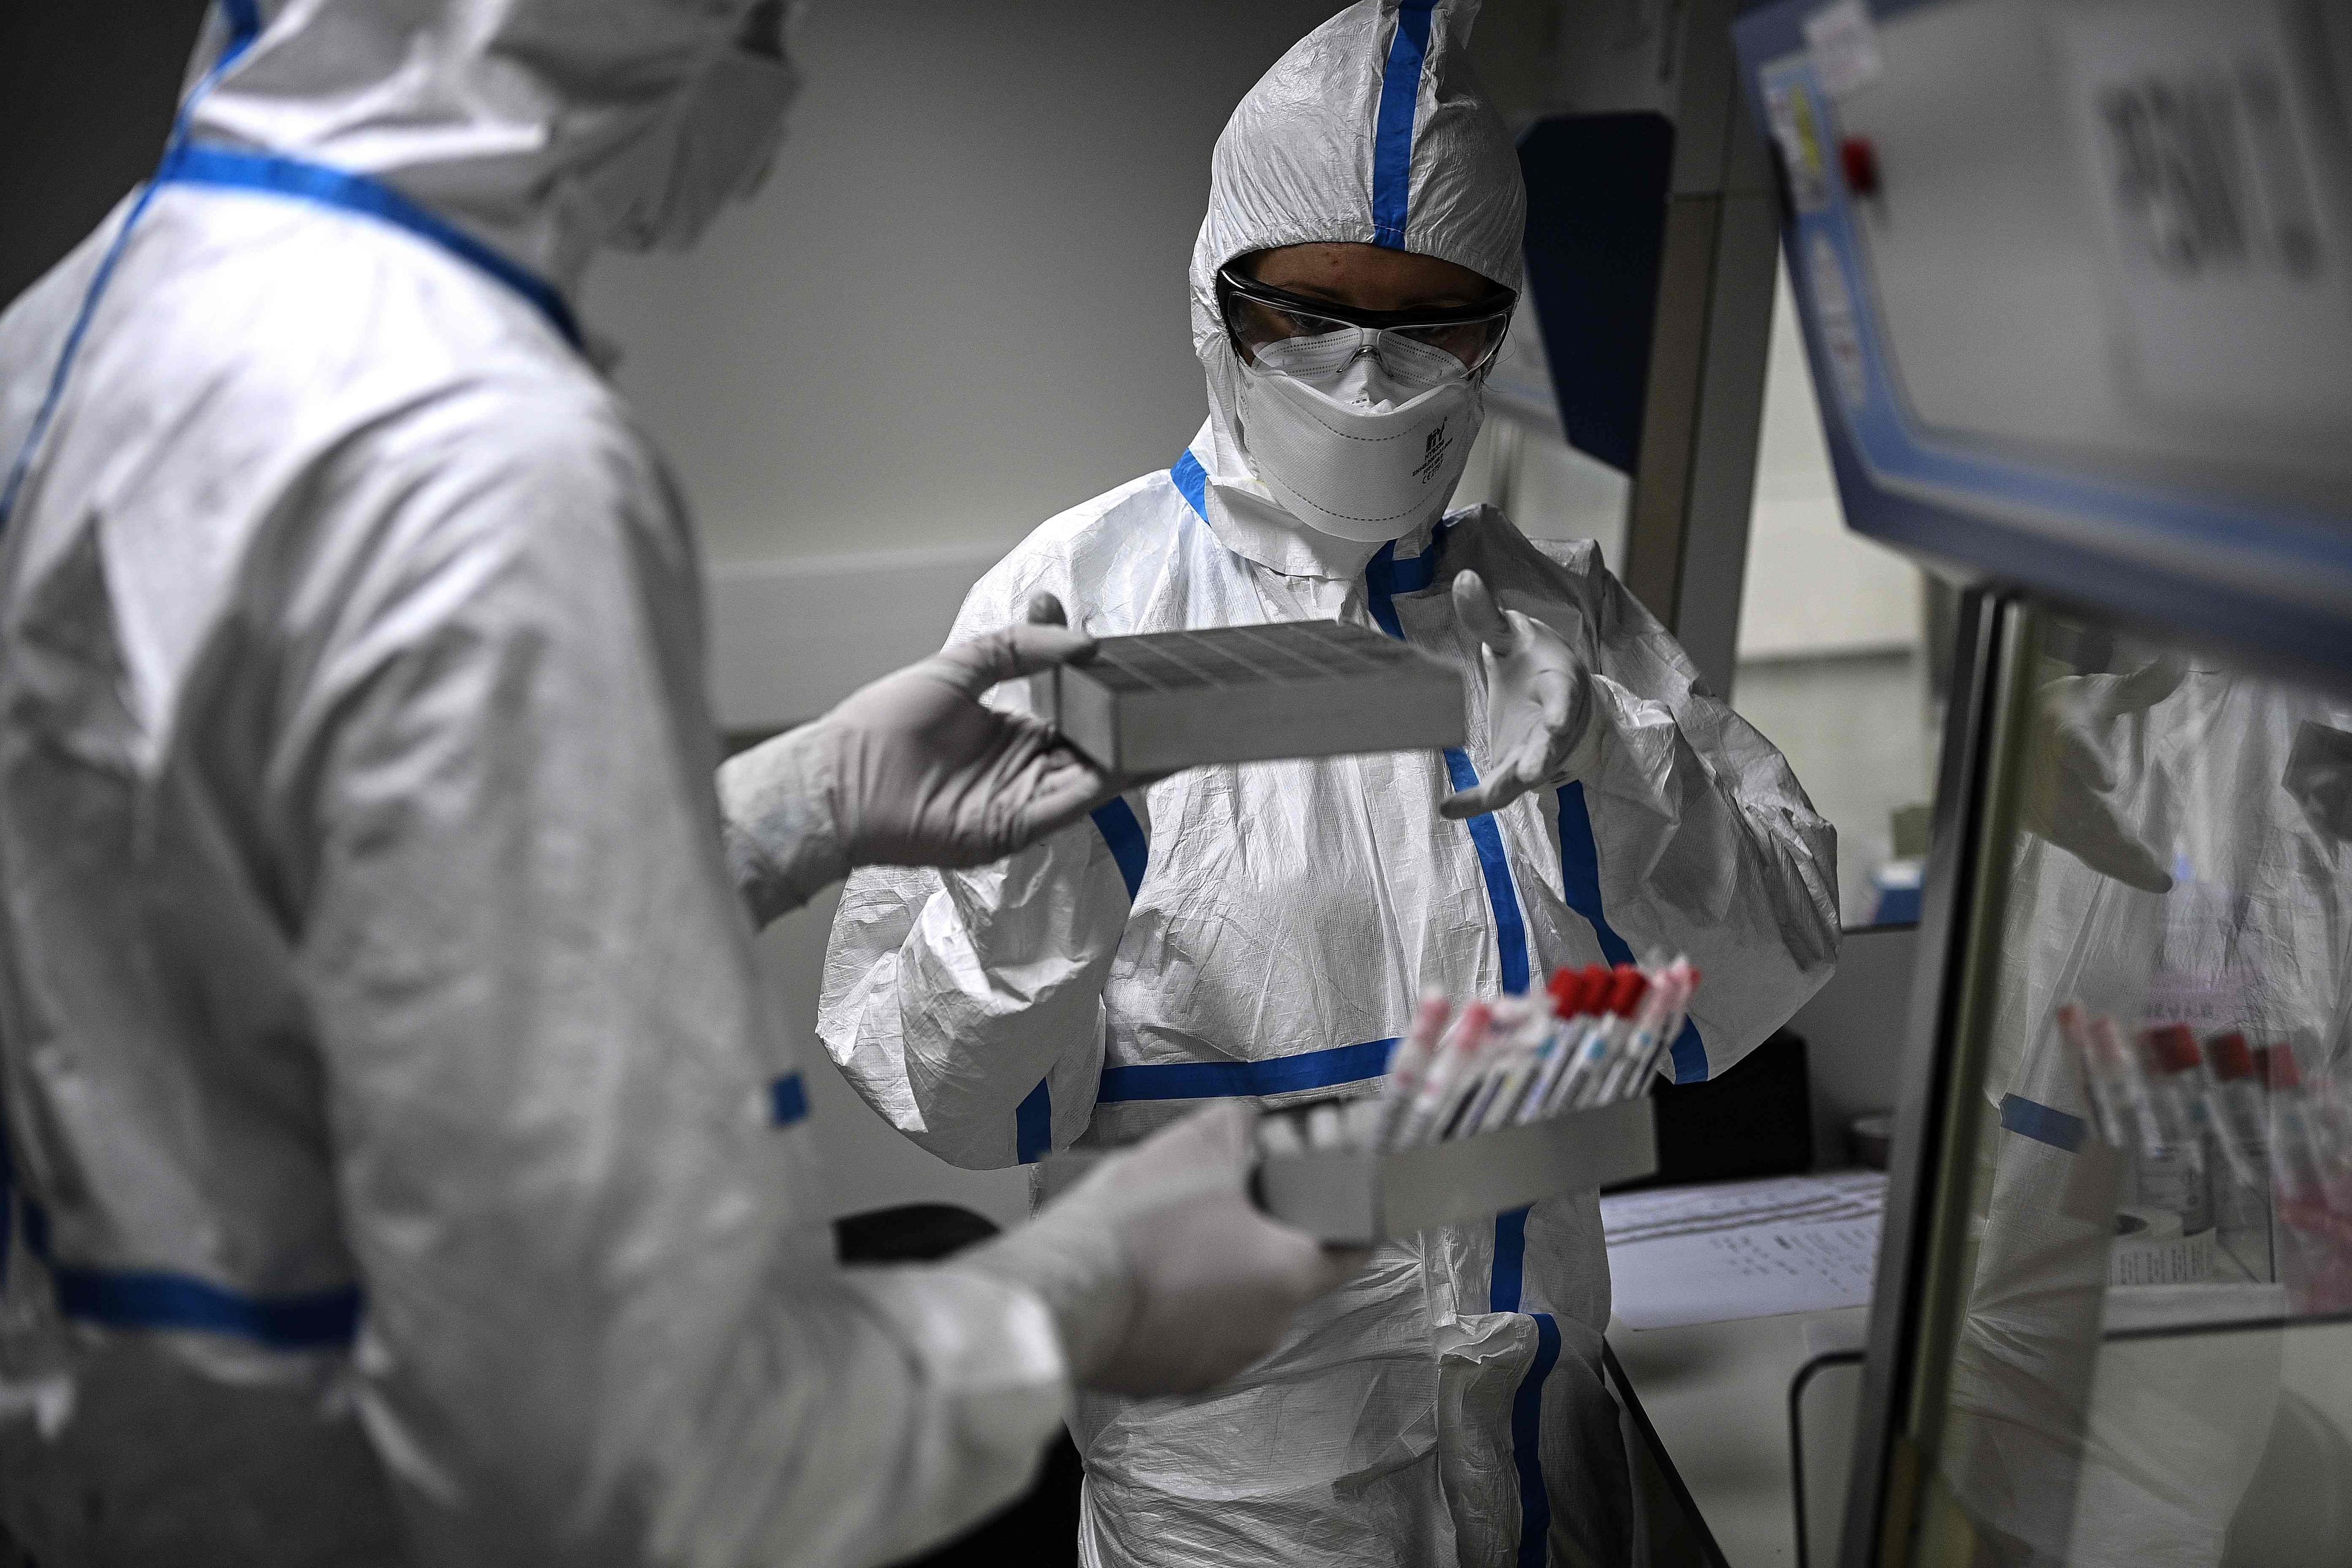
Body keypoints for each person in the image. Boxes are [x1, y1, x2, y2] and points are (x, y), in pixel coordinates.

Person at [0, 1, 1361, 1563]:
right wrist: (1080, 1295)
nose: (779, 65)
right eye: (763, 16)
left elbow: (253, 943)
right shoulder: (475, 460)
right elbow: (644, 1462)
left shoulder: (73, 329)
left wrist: (801, 799)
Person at [817, 2, 1842, 1563]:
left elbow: (1765, 967)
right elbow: (947, 1096)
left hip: (1544, 1432)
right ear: (1219, 294)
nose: (1368, 376)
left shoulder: (1559, 613)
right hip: (1234, 1486)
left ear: (1497, 325)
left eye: (1429, 320)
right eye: (1308, 311)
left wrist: (1613, 765)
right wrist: (1035, 876)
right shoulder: (1074, 607)